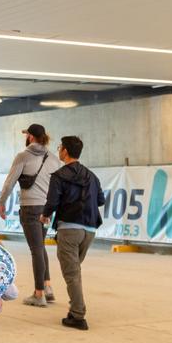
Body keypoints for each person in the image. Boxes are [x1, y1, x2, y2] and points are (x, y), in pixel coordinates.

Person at [40, 135, 105, 331]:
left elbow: (52, 202)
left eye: (60, 147)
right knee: (74, 271)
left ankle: (78, 315)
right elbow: (100, 200)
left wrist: (44, 216)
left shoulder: (59, 176)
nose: (59, 150)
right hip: (90, 230)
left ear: (65, 151)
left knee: (72, 274)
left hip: (69, 229)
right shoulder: (92, 177)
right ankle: (74, 308)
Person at [0, 123, 62, 307]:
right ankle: (48, 286)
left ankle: (39, 293)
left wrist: (2, 202)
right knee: (40, 246)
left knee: (36, 250)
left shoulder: (22, 156)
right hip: (48, 209)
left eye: (27, 135)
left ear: (31, 137)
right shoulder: (53, 158)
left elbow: (10, 182)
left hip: (30, 208)